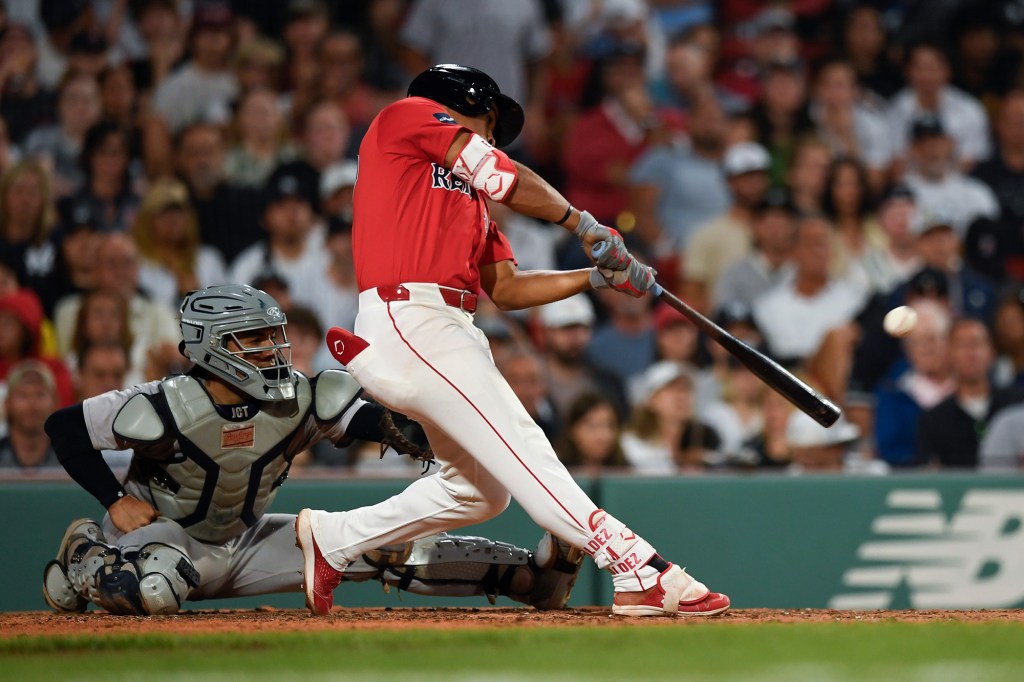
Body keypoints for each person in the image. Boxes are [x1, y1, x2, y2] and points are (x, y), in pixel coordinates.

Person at [300, 64, 729, 618]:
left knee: (478, 491)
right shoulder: (403, 118)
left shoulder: (468, 203)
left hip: (450, 326)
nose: (492, 135)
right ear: (462, 102)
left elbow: (505, 287)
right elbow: (502, 176)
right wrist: (581, 223)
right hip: (409, 315)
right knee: (524, 446)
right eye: (490, 121)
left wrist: (596, 277)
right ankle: (635, 567)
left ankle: (334, 538)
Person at [42, 284, 581, 615]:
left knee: (363, 544)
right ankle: (86, 554)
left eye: (272, 336)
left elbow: (371, 421)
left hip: (243, 541)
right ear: (210, 346)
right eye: (253, 339)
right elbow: (64, 426)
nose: (274, 350)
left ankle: (531, 578)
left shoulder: (298, 396)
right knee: (156, 584)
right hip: (162, 539)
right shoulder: (160, 404)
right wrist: (113, 499)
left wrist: (426, 428)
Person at [916, 318, 1021, 468]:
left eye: (977, 344)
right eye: (962, 345)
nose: (971, 353)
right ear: (949, 354)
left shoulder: (1017, 404)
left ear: (992, 351)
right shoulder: (934, 421)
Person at [132, 178, 227, 310]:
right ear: (148, 220)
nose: (173, 220)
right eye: (164, 213)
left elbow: (226, 307)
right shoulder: (136, 262)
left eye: (179, 213)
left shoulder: (209, 259)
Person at [0, 360, 60, 468]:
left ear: (55, 402)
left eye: (40, 394)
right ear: (7, 404)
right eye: (23, 395)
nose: (32, 403)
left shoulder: (71, 456)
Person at [554, 392, 629, 475]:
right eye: (593, 427)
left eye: (610, 426)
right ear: (572, 430)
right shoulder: (555, 470)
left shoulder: (627, 473)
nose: (603, 436)